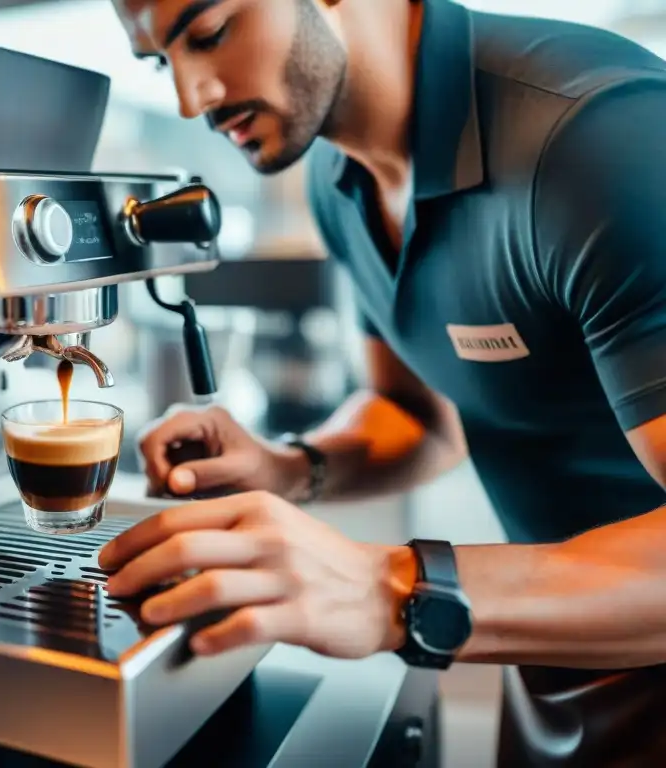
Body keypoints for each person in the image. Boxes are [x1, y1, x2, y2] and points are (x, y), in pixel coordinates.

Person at [103, 0, 666, 766]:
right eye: (161, 61)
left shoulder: (599, 137)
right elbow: (418, 418)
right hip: (548, 649)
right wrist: (290, 467)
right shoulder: (340, 179)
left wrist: (391, 589)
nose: (190, 97)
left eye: (209, 33)